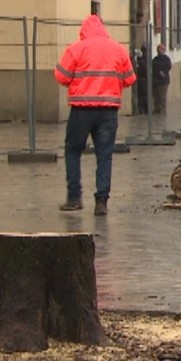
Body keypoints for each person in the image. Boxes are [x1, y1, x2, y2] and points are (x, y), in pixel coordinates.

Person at [54, 14, 136, 215]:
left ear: (84, 31)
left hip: (81, 110)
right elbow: (130, 78)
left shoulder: (76, 49)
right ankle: (101, 201)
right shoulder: (118, 49)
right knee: (104, 155)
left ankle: (74, 198)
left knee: (73, 150)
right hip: (108, 112)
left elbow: (61, 76)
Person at [152, 44, 172, 114]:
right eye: (159, 49)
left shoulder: (166, 59)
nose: (160, 51)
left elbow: (168, 67)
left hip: (163, 81)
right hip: (155, 81)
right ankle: (157, 109)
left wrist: (162, 72)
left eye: (161, 49)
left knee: (162, 96)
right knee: (156, 97)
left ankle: (162, 110)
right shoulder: (155, 59)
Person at [135, 45, 148, 114]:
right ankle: (145, 110)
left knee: (140, 96)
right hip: (144, 81)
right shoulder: (145, 60)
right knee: (144, 96)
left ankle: (141, 109)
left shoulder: (138, 61)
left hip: (140, 80)